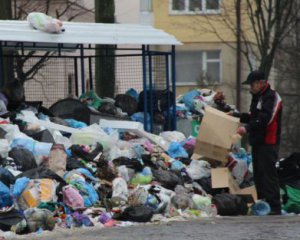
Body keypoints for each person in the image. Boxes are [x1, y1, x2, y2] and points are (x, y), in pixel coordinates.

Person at [233, 70, 282, 215]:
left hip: (268, 142)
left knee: (268, 174)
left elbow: (265, 119)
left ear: (261, 83)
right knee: (259, 174)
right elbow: (253, 116)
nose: (250, 88)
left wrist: (246, 128)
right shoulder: (258, 97)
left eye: (252, 84)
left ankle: (274, 206)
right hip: (257, 141)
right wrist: (236, 116)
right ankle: (263, 202)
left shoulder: (271, 97)